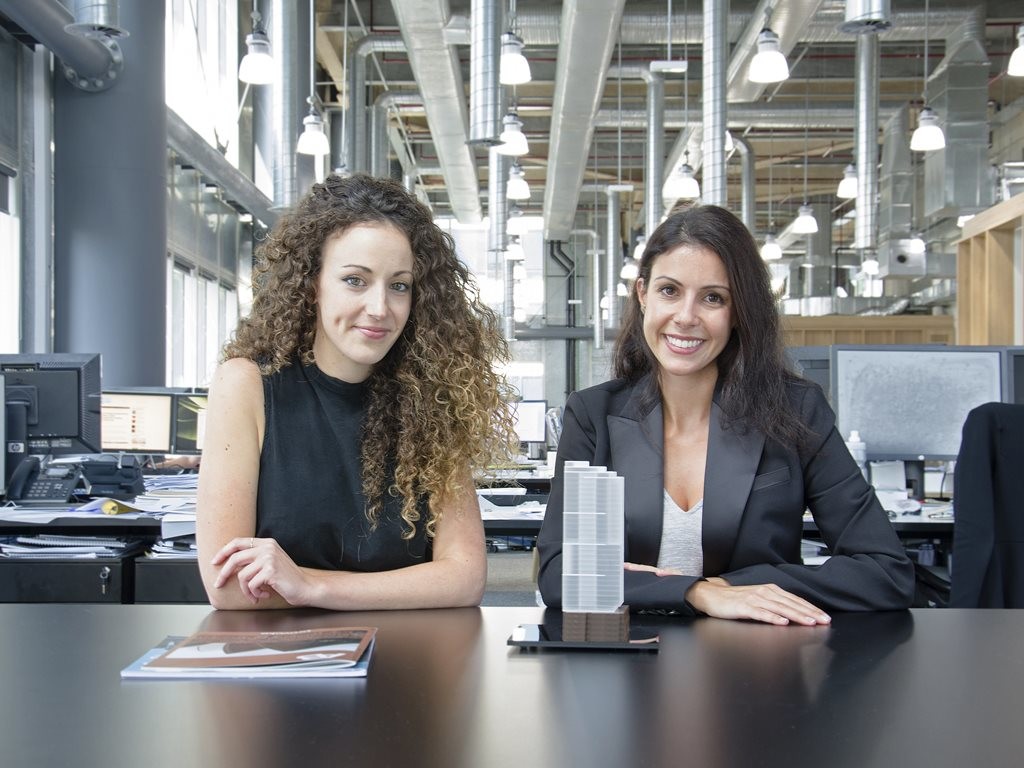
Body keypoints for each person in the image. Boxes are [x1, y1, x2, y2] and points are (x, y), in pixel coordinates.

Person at [537, 204, 915, 625]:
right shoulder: (593, 414)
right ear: (642, 294)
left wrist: (738, 588)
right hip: (631, 667)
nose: (685, 317)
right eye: (669, 291)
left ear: (738, 312)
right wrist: (696, 591)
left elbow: (886, 572)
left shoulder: (795, 410)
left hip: (755, 666)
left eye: (713, 298)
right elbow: (557, 575)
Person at [197, 173, 515, 610]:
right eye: (355, 280)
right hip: (280, 662)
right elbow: (229, 587)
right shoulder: (247, 385)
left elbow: (464, 577)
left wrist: (309, 585)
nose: (380, 308)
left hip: (411, 659)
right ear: (312, 285)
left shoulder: (432, 398)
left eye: (399, 285)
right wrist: (403, 588)